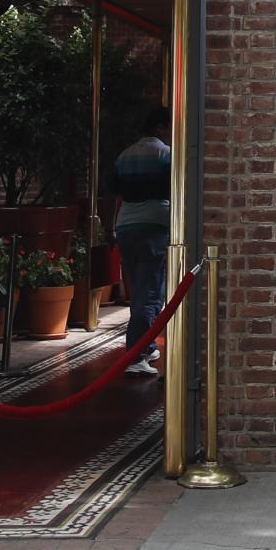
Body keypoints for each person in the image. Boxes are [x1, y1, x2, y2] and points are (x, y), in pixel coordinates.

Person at [109, 108, 173, 376]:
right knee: (150, 293)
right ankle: (136, 354)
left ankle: (144, 348)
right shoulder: (165, 154)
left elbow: (113, 193)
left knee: (138, 290)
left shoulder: (124, 156)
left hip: (126, 226)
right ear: (160, 128)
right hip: (154, 226)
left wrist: (110, 226)